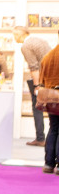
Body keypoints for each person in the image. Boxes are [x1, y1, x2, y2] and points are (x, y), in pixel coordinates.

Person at [14, 26, 51, 146]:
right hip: (50, 77)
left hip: (41, 79)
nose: (14, 38)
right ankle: (51, 138)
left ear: (19, 35)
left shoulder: (26, 46)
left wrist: (37, 86)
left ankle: (40, 138)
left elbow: (34, 67)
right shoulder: (38, 40)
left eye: (14, 35)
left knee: (37, 107)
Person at [38, 42, 59, 174]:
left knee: (53, 128)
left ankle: (48, 163)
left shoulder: (48, 56)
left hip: (51, 97)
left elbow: (42, 80)